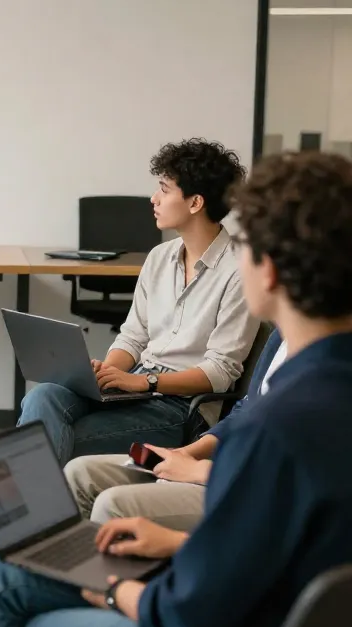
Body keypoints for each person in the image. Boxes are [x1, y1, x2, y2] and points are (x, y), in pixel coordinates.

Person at [0, 151, 352, 627]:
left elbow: (185, 614)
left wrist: (106, 587)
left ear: (268, 270)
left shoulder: (272, 431)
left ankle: (26, 557)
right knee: (48, 403)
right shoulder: (316, 401)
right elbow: (266, 555)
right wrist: (169, 542)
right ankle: (31, 550)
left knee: (17, 621)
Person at [0, 328, 286, 626]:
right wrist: (101, 380)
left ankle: (18, 581)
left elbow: (224, 377)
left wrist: (147, 388)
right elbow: (132, 339)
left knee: (68, 455)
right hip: (136, 390)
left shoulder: (241, 278)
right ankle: (21, 569)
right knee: (46, 400)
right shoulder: (164, 264)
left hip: (175, 405)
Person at [19, 138, 259, 467]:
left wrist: (145, 381)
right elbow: (133, 336)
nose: (154, 198)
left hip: (182, 408)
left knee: (54, 437)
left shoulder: (239, 271)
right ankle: (45, 516)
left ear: (195, 203)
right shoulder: (159, 258)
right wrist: (107, 372)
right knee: (42, 394)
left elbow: (220, 371)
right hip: (136, 387)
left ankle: (38, 515)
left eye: (164, 189)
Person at [65, 327, 285, 530]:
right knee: (79, 472)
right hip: (222, 464)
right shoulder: (280, 337)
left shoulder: (312, 373)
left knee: (110, 504)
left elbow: (284, 474)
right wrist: (184, 453)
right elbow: (244, 410)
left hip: (242, 485)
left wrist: (199, 471)